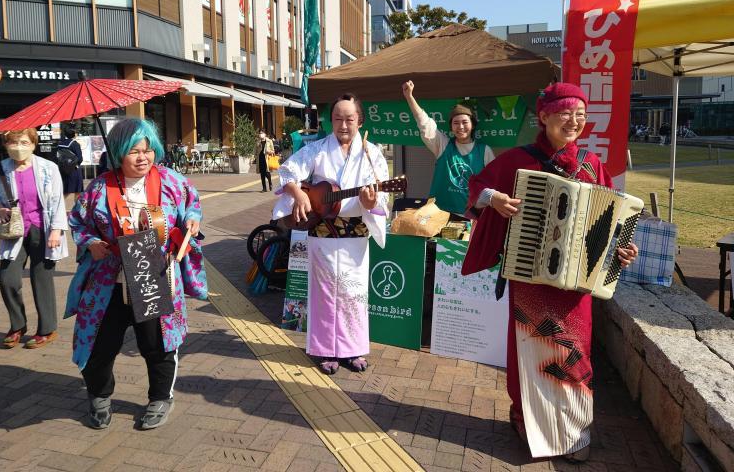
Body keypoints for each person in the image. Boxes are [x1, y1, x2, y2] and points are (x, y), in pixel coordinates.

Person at [461, 83, 638, 462]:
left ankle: (573, 432)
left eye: (580, 115)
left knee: (576, 355)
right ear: (544, 117)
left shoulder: (593, 165)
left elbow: (615, 223)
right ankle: (526, 419)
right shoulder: (517, 160)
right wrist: (496, 200)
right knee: (530, 355)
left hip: (576, 287)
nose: (574, 121)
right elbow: (475, 188)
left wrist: (622, 251)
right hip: (529, 278)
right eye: (565, 113)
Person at [65, 118, 206, 431]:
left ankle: (160, 398)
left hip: (154, 276)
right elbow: (77, 222)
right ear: (117, 153)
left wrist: (192, 222)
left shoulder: (172, 182)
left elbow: (192, 206)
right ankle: (99, 397)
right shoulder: (99, 188)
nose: (143, 157)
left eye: (147, 150)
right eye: (133, 151)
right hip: (109, 283)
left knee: (158, 345)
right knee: (99, 346)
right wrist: (91, 243)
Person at [273, 94, 389, 375]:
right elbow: (288, 170)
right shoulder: (318, 150)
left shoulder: (372, 154)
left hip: (355, 235)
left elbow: (381, 196)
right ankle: (326, 350)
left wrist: (372, 204)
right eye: (338, 118)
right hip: (322, 232)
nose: (344, 125)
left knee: (353, 293)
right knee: (325, 294)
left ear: (360, 120)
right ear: (330, 120)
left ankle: (353, 349)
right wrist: (298, 191)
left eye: (350, 119)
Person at [0, 128, 68, 349]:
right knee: (7, 279)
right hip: (14, 229)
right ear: (6, 145)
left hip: (42, 229)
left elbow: (57, 201)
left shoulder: (48, 168)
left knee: (41, 279)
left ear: (33, 144)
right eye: (13, 143)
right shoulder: (2, 168)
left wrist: (56, 230)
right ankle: (17, 325)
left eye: (24, 142)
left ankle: (46, 329)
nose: (18, 147)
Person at [402, 81, 494, 215]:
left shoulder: (485, 151)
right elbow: (424, 123)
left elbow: (493, 183)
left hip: (470, 215)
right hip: (438, 214)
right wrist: (409, 97)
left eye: (465, 122)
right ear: (451, 127)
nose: (460, 127)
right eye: (456, 123)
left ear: (473, 125)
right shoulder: (443, 145)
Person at [57, 125, 84, 202]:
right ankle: (77, 208)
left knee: (65, 189)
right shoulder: (75, 144)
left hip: (64, 170)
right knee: (77, 190)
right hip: (74, 170)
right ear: (74, 134)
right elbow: (80, 158)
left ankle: (60, 206)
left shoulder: (60, 144)